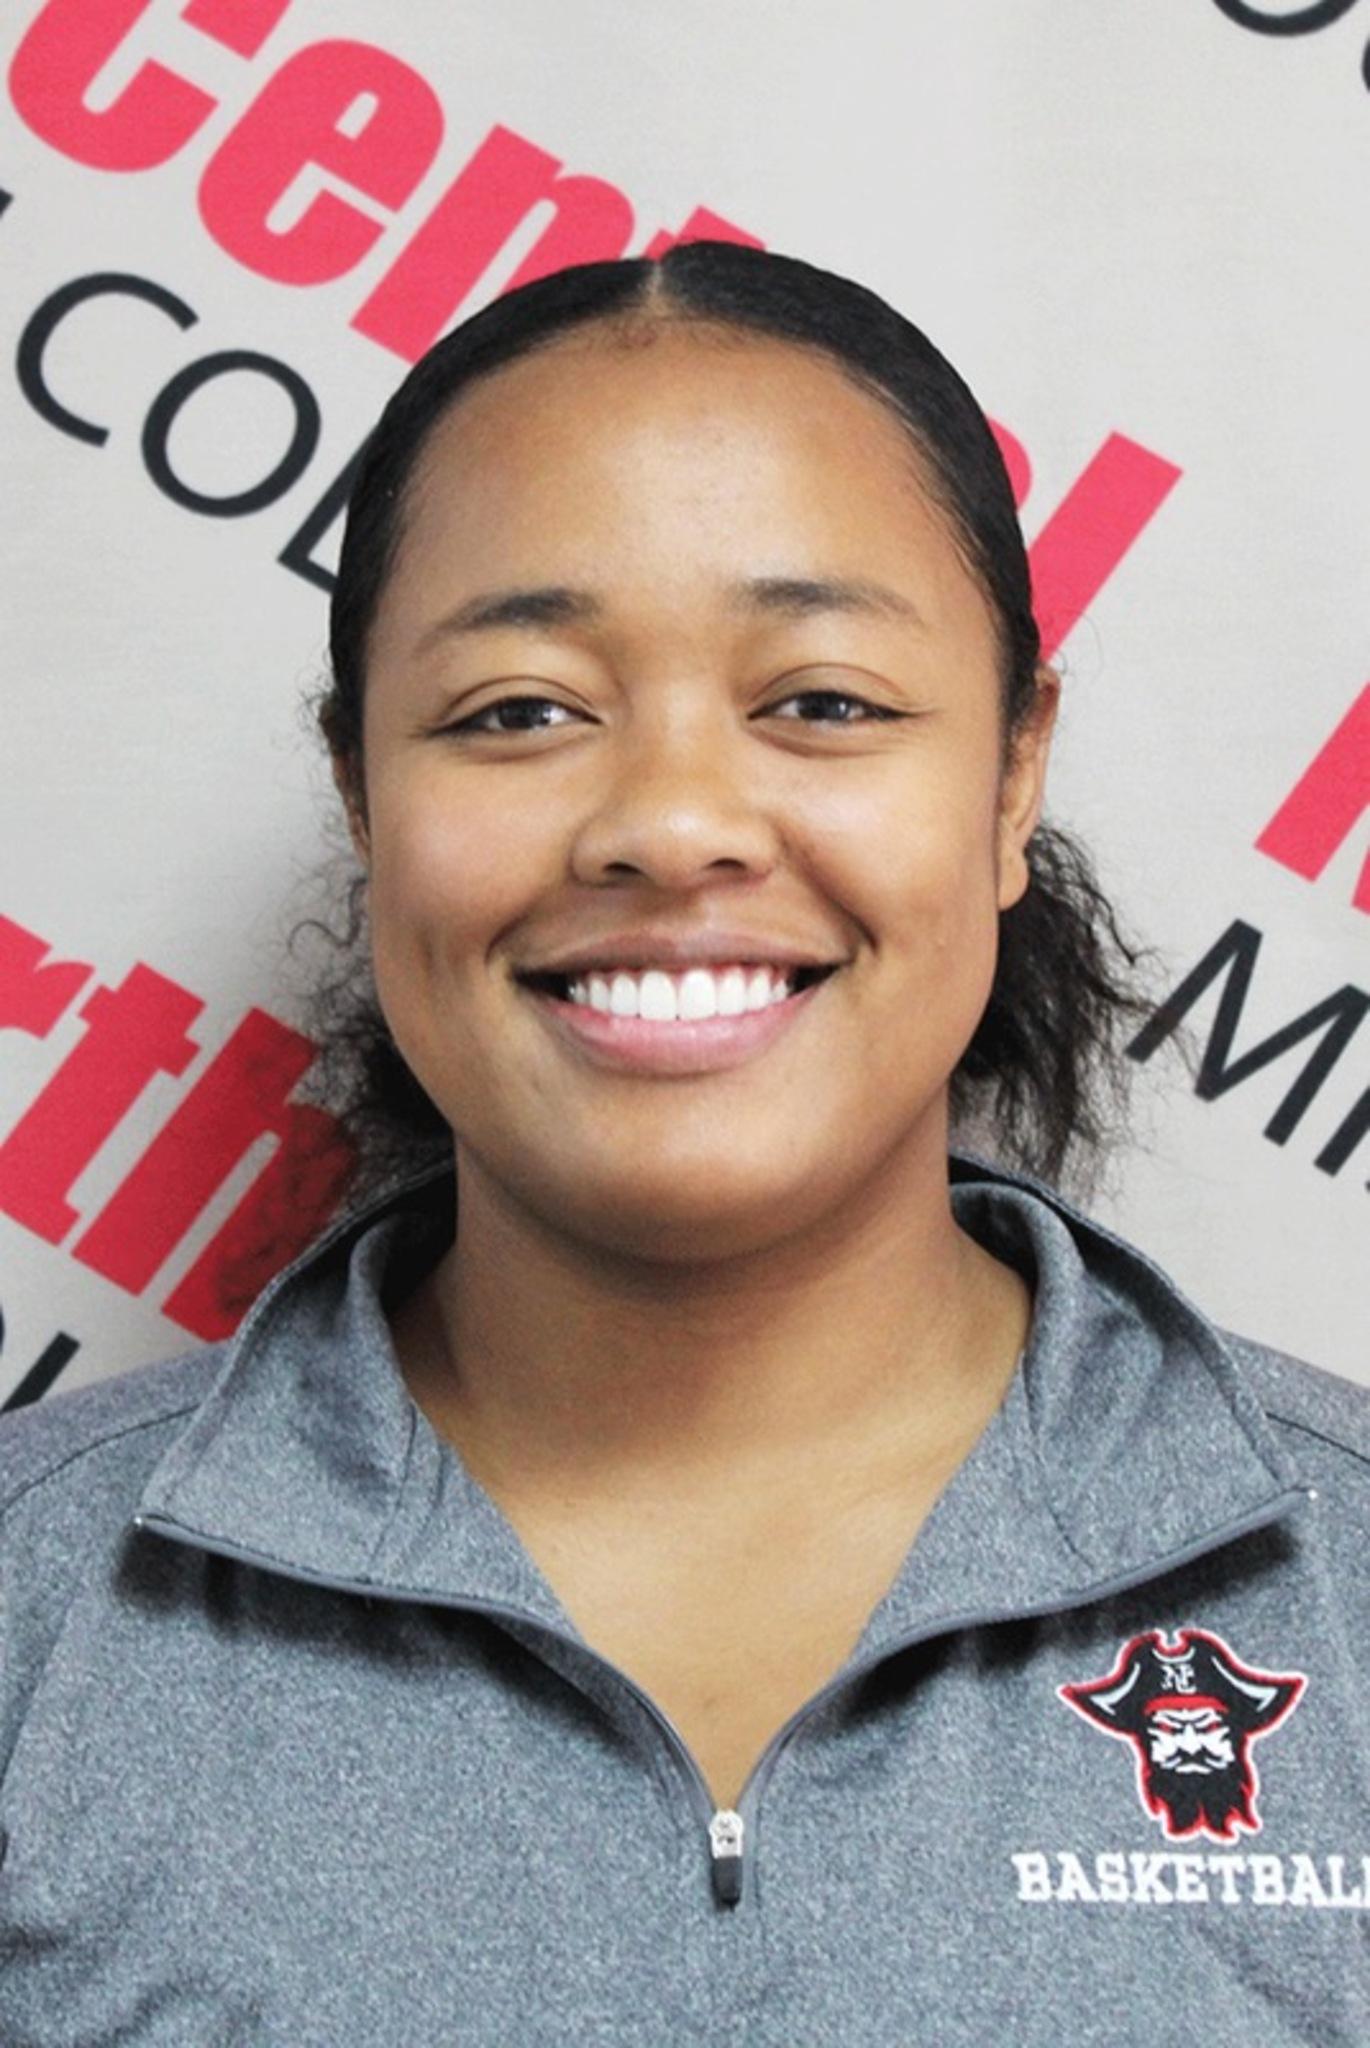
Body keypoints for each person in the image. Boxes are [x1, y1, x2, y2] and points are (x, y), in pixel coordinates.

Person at [1, 242, 1366, 2045]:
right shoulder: (34, 1602)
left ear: (1011, 775)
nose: (669, 822)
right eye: (519, 712)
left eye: (821, 701)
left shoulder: (1339, 1572)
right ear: (363, 793)